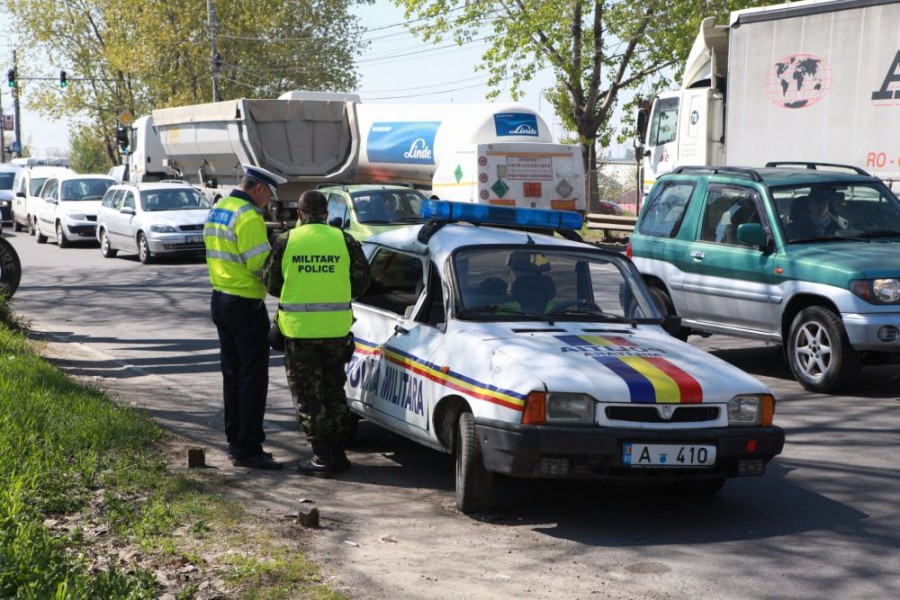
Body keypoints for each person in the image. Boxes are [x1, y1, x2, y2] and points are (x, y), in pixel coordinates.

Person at [263, 190, 371, 478]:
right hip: (336, 331)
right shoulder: (344, 240)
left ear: (299, 214)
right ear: (326, 214)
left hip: (299, 332)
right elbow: (362, 281)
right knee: (334, 390)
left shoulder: (287, 241)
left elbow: (272, 283)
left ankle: (322, 458)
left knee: (309, 396)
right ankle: (337, 453)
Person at [204, 164, 286, 470]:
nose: (268, 205)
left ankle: (235, 440)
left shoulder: (221, 208)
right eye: (269, 197)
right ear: (260, 189)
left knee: (233, 373)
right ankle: (249, 447)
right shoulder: (249, 216)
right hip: (245, 304)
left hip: (221, 298)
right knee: (253, 377)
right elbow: (260, 267)